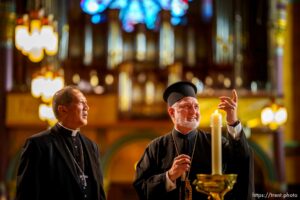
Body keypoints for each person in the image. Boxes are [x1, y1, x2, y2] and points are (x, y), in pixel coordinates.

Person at [133, 81, 254, 200]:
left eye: (196, 106)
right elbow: (141, 188)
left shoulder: (215, 142)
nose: (193, 112)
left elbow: (242, 161)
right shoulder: (156, 148)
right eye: (187, 106)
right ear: (172, 112)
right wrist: (169, 176)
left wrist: (233, 121)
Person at [16, 86, 106, 200]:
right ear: (63, 109)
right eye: (81, 102)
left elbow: (99, 192)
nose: (87, 108)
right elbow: (27, 194)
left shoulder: (92, 146)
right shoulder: (38, 145)